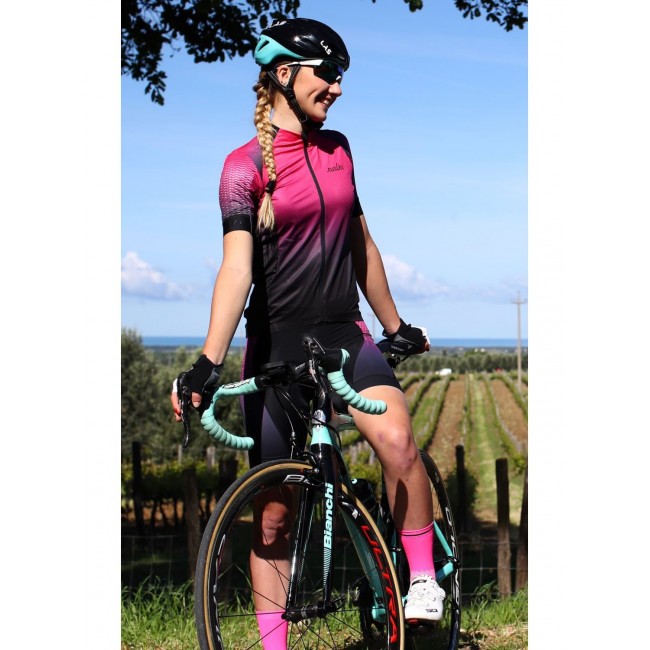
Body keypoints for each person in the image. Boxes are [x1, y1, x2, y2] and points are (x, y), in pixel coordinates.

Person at [170, 17, 445, 648]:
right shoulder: (241, 168)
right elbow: (236, 269)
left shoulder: (339, 149)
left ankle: (423, 579)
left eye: (341, 77)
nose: (338, 89)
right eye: (328, 74)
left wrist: (395, 327)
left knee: (398, 442)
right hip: (277, 346)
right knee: (273, 516)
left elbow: (360, 245)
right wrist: (208, 363)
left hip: (344, 335)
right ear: (285, 74)